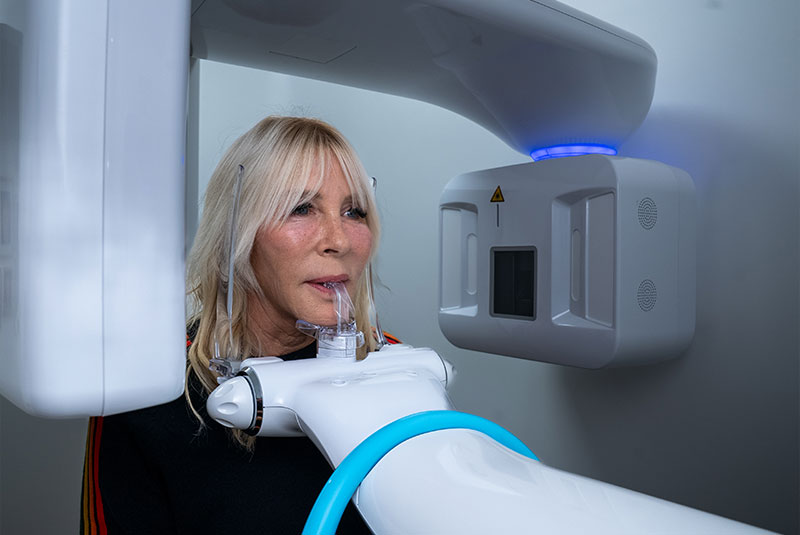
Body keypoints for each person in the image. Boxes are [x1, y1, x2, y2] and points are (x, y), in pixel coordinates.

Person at [81, 116, 385, 534]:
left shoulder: (391, 372)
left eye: (354, 211)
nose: (340, 239)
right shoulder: (146, 391)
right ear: (237, 233)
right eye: (301, 208)